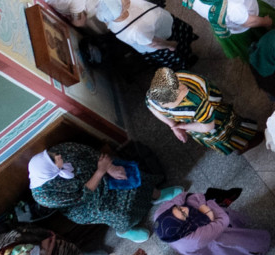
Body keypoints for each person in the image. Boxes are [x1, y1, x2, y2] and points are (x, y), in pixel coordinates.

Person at [27, 142, 169, 241]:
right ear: (49, 171)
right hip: (85, 204)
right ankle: (124, 230)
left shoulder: (59, 151)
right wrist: (101, 171)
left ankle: (155, 194)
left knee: (128, 176)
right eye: (54, 160)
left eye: (52, 154)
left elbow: (89, 153)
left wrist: (109, 168)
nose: (58, 155)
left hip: (98, 171)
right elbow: (82, 196)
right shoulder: (45, 195)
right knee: (116, 211)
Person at [145, 68, 261, 154]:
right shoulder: (157, 93)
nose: (163, 108)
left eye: (167, 106)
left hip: (214, 118)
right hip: (195, 122)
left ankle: (247, 140)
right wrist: (173, 125)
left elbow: (208, 127)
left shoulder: (197, 103)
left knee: (229, 131)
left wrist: (182, 126)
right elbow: (151, 106)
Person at [102, 0, 196, 69]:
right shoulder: (135, 31)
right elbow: (155, 43)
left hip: (165, 26)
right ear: (119, 12)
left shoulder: (113, 17)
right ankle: (187, 61)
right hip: (165, 39)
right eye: (121, 0)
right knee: (180, 53)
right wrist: (171, 45)